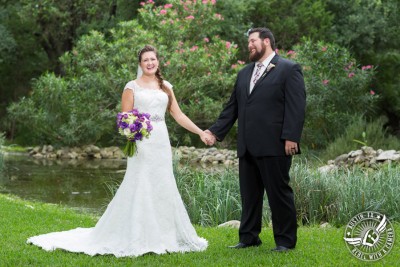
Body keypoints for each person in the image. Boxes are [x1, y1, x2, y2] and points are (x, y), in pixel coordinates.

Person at [27, 45, 209, 257]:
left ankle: (164, 235)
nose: (150, 63)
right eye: (145, 60)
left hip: (161, 142)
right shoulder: (131, 87)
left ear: (158, 61)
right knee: (140, 184)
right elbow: (125, 119)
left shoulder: (166, 87)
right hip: (141, 143)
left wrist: (200, 132)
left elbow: (178, 115)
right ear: (140, 65)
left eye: (153, 59)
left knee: (163, 184)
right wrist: (134, 132)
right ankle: (137, 235)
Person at [205, 27, 306, 252]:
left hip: (275, 144)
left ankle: (285, 241)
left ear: (266, 41)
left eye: (252, 41)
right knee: (249, 195)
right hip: (247, 146)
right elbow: (233, 108)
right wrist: (214, 132)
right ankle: (249, 237)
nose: (249, 45)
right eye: (248, 42)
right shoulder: (243, 73)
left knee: (279, 194)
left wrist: (291, 137)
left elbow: (296, 107)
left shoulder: (288, 69)